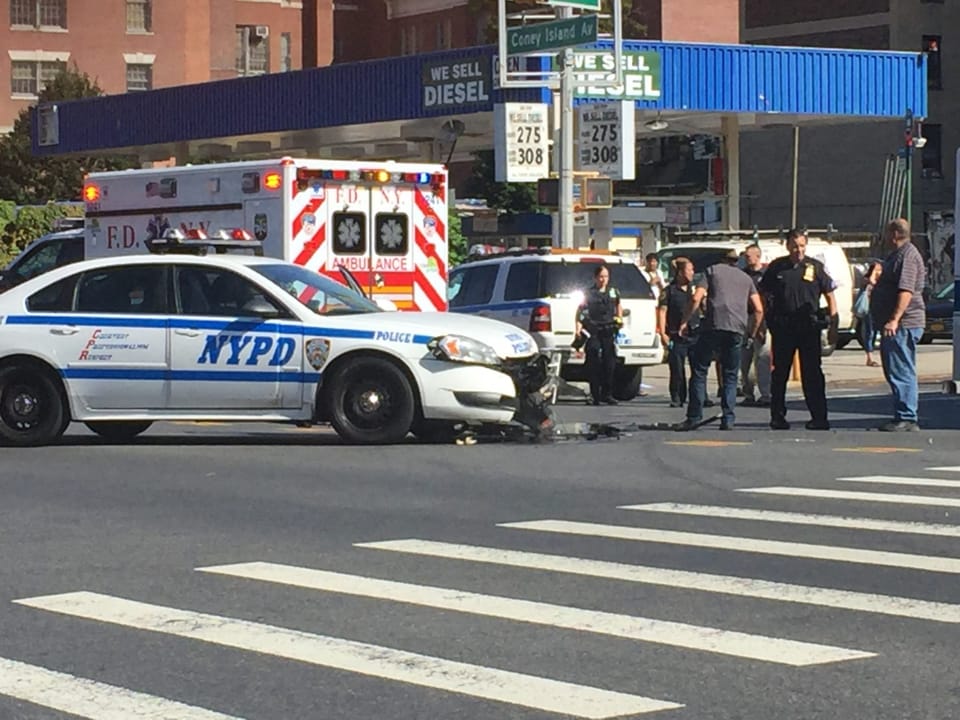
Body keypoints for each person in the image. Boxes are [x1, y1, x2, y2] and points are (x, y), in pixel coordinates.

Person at [675, 249, 764, 431]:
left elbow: (696, 297)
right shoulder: (745, 279)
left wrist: (684, 322)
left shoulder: (712, 271)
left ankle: (694, 417)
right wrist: (752, 332)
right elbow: (759, 309)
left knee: (700, 371)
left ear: (721, 260)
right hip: (737, 330)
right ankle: (728, 418)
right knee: (730, 375)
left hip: (713, 326)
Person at [759, 229, 838, 431]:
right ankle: (777, 416)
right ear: (787, 246)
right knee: (780, 374)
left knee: (812, 373)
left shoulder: (815, 267)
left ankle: (819, 417)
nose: (798, 250)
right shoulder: (777, 267)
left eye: (802, 246)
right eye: (795, 246)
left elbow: (830, 295)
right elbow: (762, 295)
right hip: (784, 328)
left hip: (809, 328)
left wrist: (833, 326)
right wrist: (763, 322)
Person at [871, 218, 927, 431]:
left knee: (902, 369)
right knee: (896, 369)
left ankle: (907, 416)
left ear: (894, 234)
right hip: (897, 323)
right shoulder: (896, 256)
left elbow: (906, 291)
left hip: (904, 324)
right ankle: (903, 413)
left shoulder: (908, 256)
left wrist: (894, 319)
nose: (885, 237)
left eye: (887, 232)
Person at [574, 264, 623, 406]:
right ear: (595, 278)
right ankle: (595, 395)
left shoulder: (613, 292)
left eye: (606, 276)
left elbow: (619, 306)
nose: (603, 279)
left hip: (608, 330)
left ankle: (607, 394)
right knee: (593, 360)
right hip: (593, 330)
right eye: (601, 276)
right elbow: (580, 313)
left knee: (610, 363)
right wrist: (578, 330)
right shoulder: (588, 294)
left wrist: (619, 319)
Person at [657, 257, 698, 408]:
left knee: (698, 369)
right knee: (677, 369)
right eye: (689, 270)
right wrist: (663, 333)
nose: (692, 273)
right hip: (676, 334)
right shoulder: (669, 291)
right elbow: (662, 312)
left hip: (695, 333)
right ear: (680, 273)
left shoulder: (696, 290)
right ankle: (677, 397)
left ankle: (698, 397)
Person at [739, 243, 771, 406]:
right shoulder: (742, 275)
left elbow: (767, 300)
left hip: (762, 318)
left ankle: (766, 393)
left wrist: (762, 325)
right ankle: (748, 392)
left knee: (763, 357)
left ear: (758, 256)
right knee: (745, 358)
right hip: (745, 317)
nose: (746, 259)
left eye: (748, 256)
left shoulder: (765, 276)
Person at [856, 261, 882, 367]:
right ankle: (869, 357)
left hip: (878, 308)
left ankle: (875, 354)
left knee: (876, 332)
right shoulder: (866, 280)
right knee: (869, 332)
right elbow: (871, 281)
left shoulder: (881, 282)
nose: (879, 272)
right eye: (877, 270)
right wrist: (873, 272)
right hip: (868, 309)